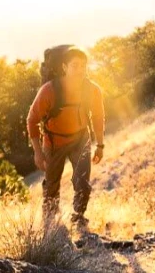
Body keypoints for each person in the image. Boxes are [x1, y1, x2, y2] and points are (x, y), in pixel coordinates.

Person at [26, 46, 105, 230]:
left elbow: (99, 117)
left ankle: (78, 219)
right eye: (75, 65)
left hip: (81, 139)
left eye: (83, 66)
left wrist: (100, 145)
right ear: (64, 67)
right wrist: (38, 152)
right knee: (52, 186)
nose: (80, 70)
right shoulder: (49, 91)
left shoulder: (92, 90)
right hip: (54, 142)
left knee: (83, 182)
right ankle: (51, 223)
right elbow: (32, 120)